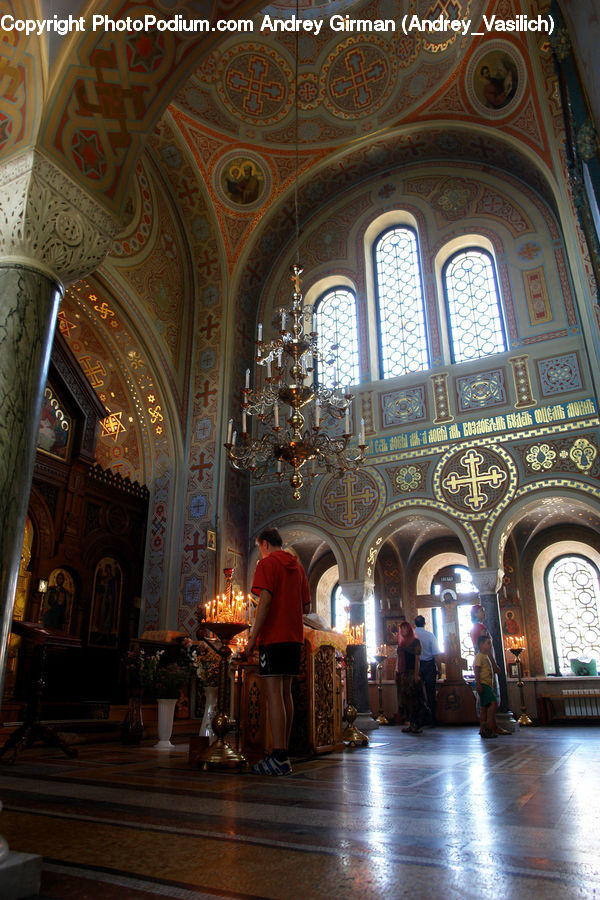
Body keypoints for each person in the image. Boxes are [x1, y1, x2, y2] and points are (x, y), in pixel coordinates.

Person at [246, 528, 310, 775]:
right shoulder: (299, 567)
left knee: (274, 694)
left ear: (263, 544)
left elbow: (265, 600)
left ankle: (279, 755)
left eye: (259, 547)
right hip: (294, 638)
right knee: (286, 693)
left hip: (273, 637)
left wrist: (253, 638)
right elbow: (306, 606)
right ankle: (285, 752)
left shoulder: (267, 564)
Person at [474, 634, 510, 737]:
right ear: (481, 645)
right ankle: (489, 727)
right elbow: (476, 669)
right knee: (493, 703)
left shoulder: (486, 657)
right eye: (488, 643)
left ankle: (483, 729)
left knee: (484, 708)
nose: (490, 646)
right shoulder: (479, 656)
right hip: (484, 685)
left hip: (487, 685)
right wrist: (478, 684)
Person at [396, 621, 426, 734]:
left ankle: (416, 723)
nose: (403, 631)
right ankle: (410, 722)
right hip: (404, 674)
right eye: (401, 629)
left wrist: (416, 674)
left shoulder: (415, 642)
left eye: (404, 629)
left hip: (412, 673)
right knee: (406, 699)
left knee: (414, 699)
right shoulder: (402, 643)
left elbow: (417, 659)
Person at [413, 615, 442, 725]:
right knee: (431, 692)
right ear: (425, 623)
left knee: (418, 693)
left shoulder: (413, 636)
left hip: (416, 666)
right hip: (429, 665)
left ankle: (419, 720)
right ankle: (432, 719)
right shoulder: (430, 636)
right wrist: (439, 669)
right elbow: (436, 654)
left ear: (415, 623)